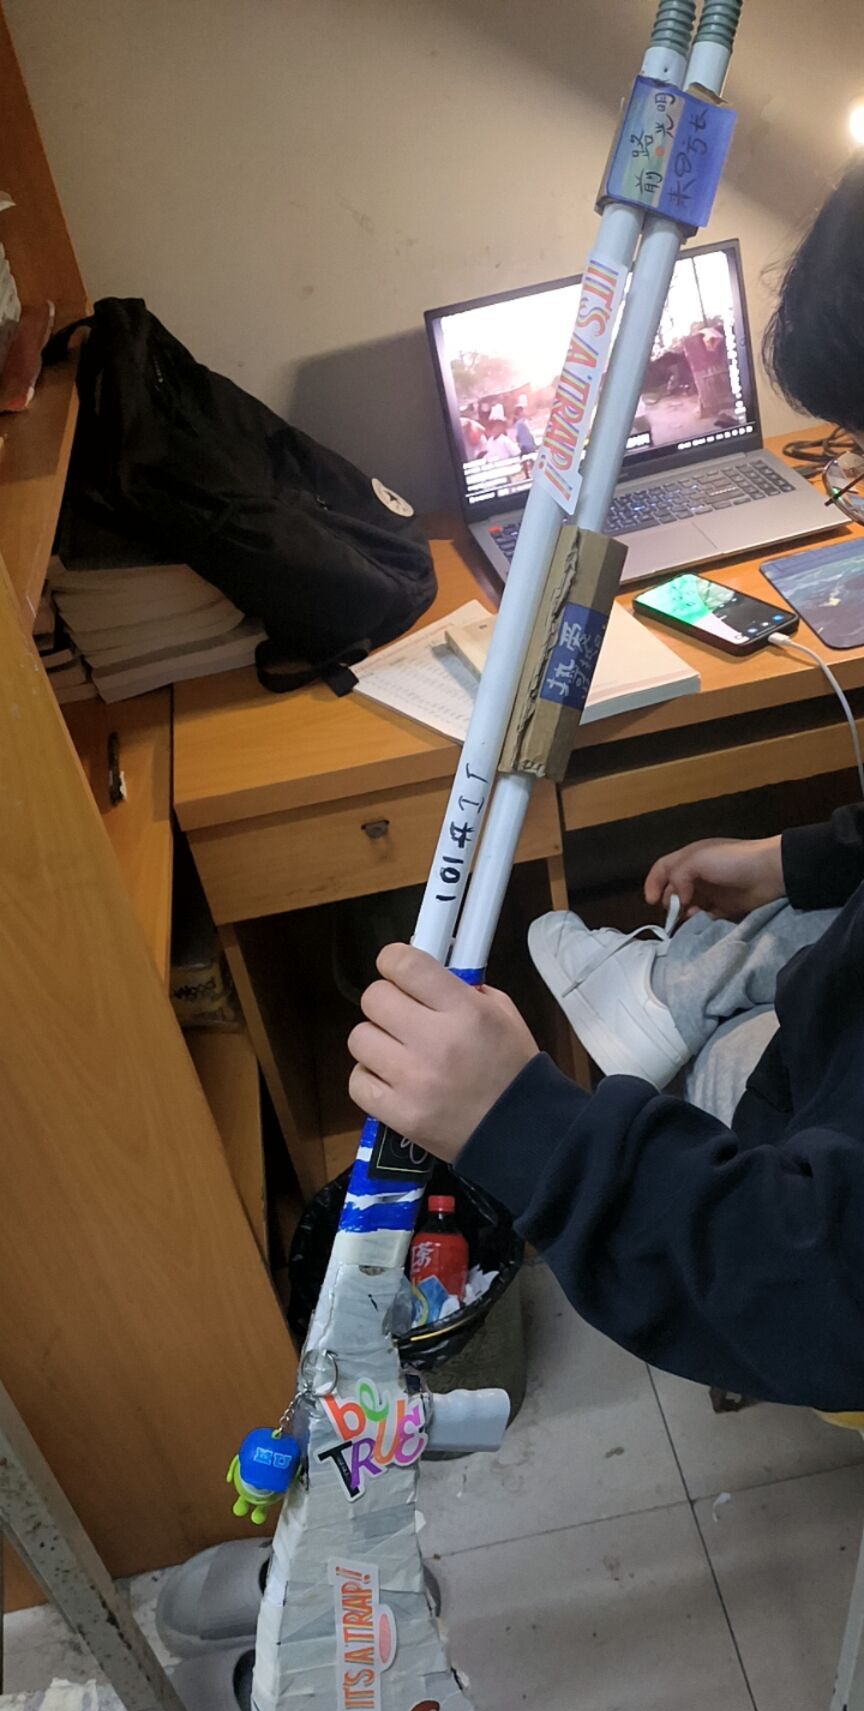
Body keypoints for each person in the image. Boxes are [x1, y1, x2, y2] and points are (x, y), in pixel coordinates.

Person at [347, 165, 864, 1414]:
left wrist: (523, 1125)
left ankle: (680, 999)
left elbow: (823, 1288)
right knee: (780, 956)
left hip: (804, 1231)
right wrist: (795, 859)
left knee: (717, 1068)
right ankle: (689, 980)